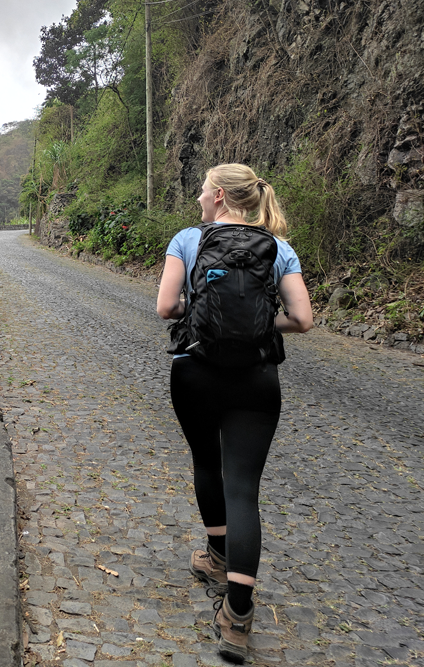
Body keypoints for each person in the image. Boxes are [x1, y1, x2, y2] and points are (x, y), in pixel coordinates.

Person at [156, 163, 313, 663]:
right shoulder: (279, 248)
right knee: (244, 487)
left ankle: (217, 557)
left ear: (219, 196)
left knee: (207, 462)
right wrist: (257, 326)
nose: (200, 199)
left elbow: (165, 307)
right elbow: (303, 319)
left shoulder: (188, 239)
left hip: (195, 370)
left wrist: (202, 311)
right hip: (257, 379)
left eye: (203, 191)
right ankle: (238, 616)